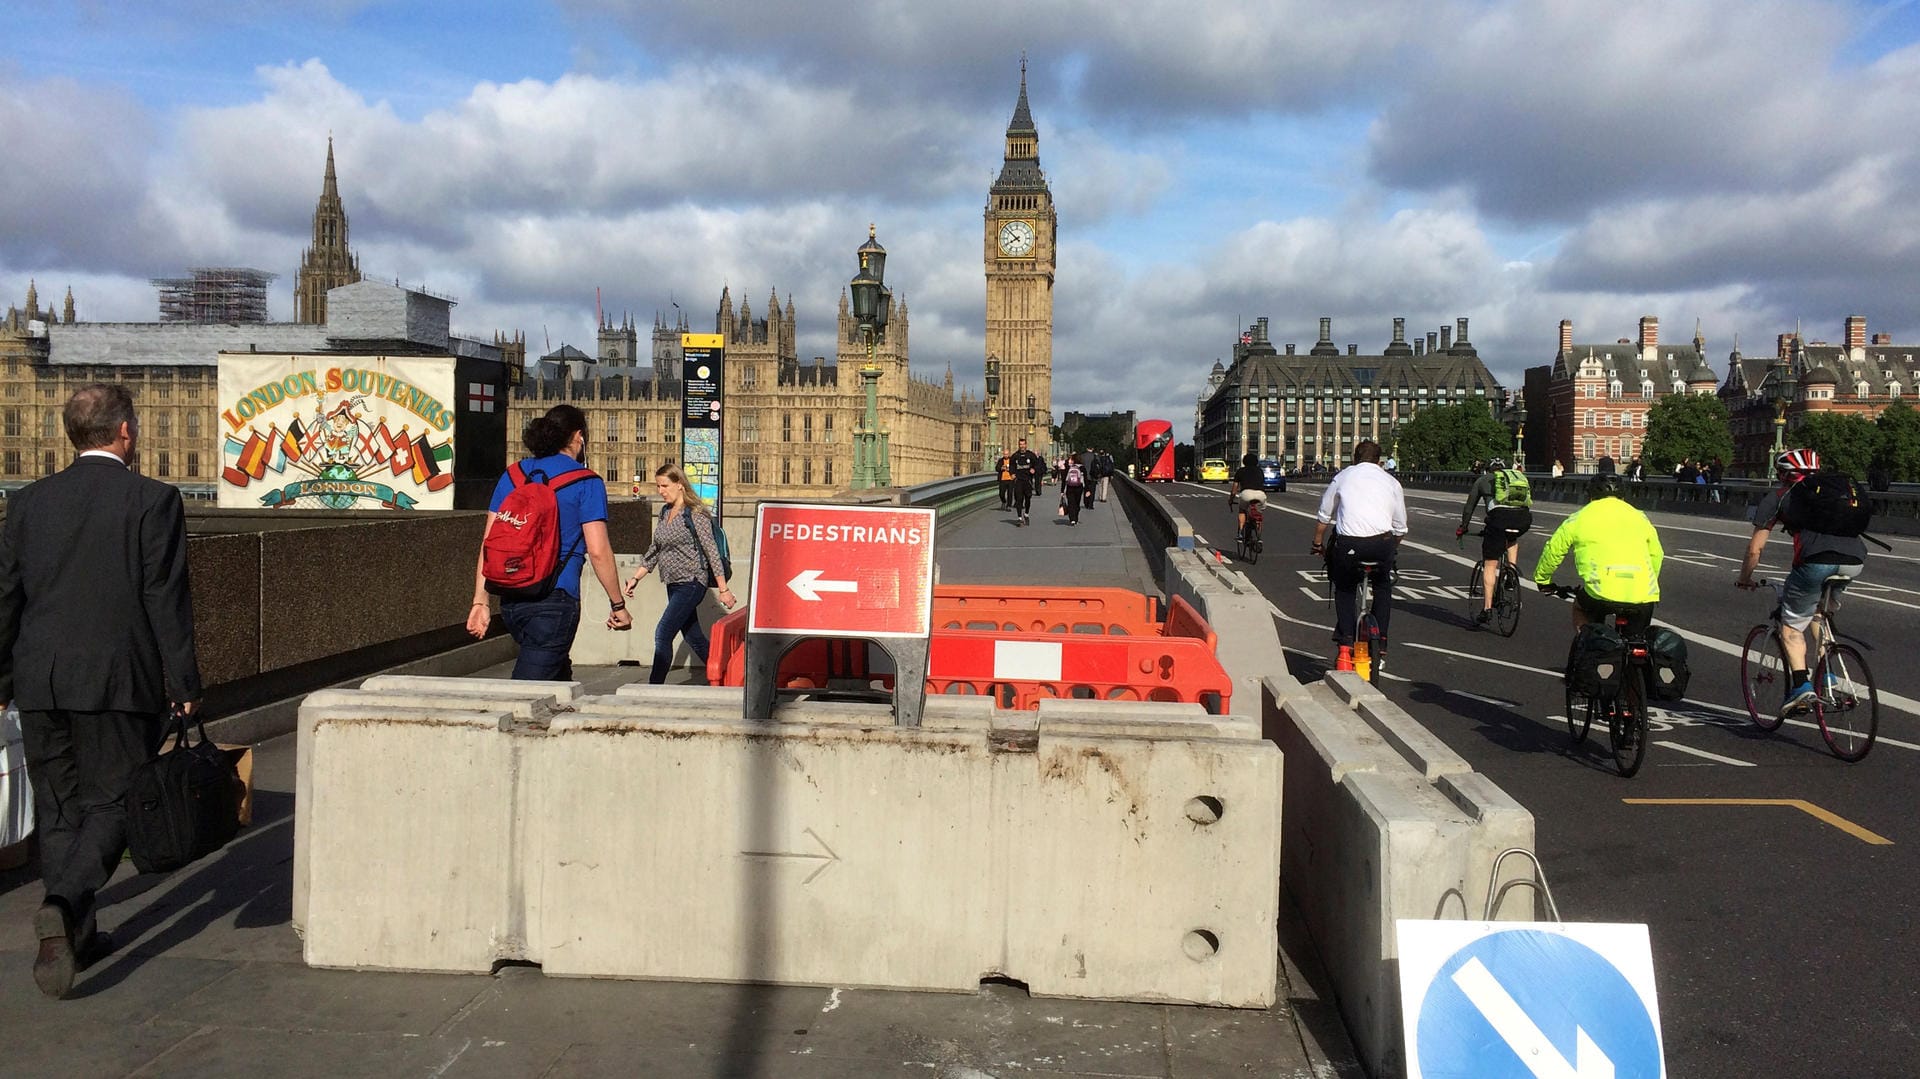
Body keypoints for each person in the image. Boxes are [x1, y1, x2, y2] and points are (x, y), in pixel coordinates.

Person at [0, 384, 202, 999]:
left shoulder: (29, 501)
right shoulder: (153, 499)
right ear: (126, 433)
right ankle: (64, 903)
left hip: (41, 679)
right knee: (115, 804)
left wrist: (3, 679)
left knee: (60, 810)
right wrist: (185, 681)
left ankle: (76, 939)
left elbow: (7, 594)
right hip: (119, 679)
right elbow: (164, 598)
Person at [468, 404, 631, 679]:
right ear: (578, 436)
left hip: (511, 599)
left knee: (558, 685)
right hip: (555, 599)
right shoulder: (586, 481)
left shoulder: (514, 474)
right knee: (523, 698)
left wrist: (480, 602)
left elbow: (490, 543)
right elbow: (599, 551)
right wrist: (618, 605)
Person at [1735, 448, 1866, 716]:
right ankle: (1827, 675)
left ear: (1782, 474)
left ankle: (1801, 687)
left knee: (1791, 626)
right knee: (1818, 612)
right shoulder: (1834, 492)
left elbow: (1754, 550)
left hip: (1815, 562)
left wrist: (1744, 577)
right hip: (1855, 560)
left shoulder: (1779, 496)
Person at [624, 465, 737, 684]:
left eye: (665, 485)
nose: (660, 490)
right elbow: (655, 549)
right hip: (673, 583)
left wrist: (724, 590)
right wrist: (636, 577)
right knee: (694, 638)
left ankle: (653, 687)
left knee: (663, 633)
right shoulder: (665, 513)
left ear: (680, 484)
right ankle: (726, 676)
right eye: (658, 485)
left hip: (692, 582)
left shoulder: (695, 514)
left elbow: (712, 553)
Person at [1533, 471, 1663, 644]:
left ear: (1591, 495)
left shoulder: (1578, 518)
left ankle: (1586, 647)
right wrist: (1648, 580)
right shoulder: (1640, 517)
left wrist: (1543, 580)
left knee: (1580, 608)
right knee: (1637, 640)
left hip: (1601, 592)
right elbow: (1657, 554)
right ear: (1622, 496)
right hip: (1643, 593)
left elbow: (1554, 551)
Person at [1311, 441, 1407, 672]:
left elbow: (1325, 515)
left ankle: (1345, 643)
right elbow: (1401, 527)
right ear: (1379, 461)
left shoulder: (1343, 476)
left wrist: (1317, 543)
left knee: (1345, 589)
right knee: (1382, 587)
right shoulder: (1392, 482)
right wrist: (1391, 549)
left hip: (1349, 545)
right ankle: (1381, 644)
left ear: (1354, 458)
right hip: (1382, 544)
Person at [1455, 456, 1533, 626]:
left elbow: (1469, 507)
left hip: (1498, 519)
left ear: (1488, 470)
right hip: (1523, 518)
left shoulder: (1483, 481)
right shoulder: (1515, 478)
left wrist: (1464, 527)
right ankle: (1511, 573)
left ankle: (1487, 609)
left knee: (1490, 564)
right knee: (1512, 535)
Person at [1229, 451, 1267, 540]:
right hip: (1260, 494)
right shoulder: (1260, 471)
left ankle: (1241, 531)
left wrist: (1231, 499)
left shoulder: (1241, 471)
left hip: (1246, 494)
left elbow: (1234, 488)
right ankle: (1258, 534)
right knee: (1258, 513)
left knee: (1242, 510)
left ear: (1244, 461)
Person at [1008, 437, 1044, 525]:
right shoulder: (1015, 456)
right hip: (1018, 480)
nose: (1022, 446)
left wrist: (1034, 469)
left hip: (1027, 480)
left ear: (1026, 445)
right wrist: (1012, 473)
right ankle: (1019, 518)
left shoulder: (1030, 455)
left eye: (1023, 444)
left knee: (1028, 498)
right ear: (1019, 445)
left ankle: (1026, 514)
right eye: (1020, 444)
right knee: (1019, 499)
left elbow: (1037, 465)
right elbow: (1011, 466)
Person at [1060, 452, 1088, 525]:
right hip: (1079, 487)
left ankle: (1072, 519)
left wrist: (1062, 490)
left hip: (1070, 487)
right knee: (1077, 503)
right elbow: (1085, 480)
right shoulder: (1082, 468)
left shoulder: (1069, 467)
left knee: (1071, 503)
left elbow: (1064, 480)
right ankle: (1075, 518)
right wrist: (1087, 490)